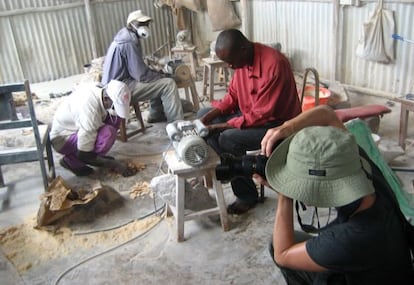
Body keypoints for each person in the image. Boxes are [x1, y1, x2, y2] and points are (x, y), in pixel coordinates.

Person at [258, 105, 413, 284]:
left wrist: (284, 193)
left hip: (370, 264)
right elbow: (327, 114)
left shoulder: (352, 238)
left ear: (323, 189)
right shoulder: (358, 166)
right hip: (389, 266)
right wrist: (286, 128)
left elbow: (282, 254)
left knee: (277, 244)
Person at [197, 29, 302, 214]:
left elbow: (260, 115)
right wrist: (207, 118)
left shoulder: (274, 65)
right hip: (253, 115)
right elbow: (232, 97)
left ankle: (246, 195)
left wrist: (219, 126)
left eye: (231, 61)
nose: (229, 66)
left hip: (278, 125)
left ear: (243, 49)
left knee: (228, 138)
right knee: (203, 114)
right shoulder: (241, 61)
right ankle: (228, 169)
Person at [101, 9, 183, 123]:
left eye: (146, 24)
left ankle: (156, 114)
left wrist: (157, 74)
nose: (145, 26)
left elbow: (138, 71)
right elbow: (141, 75)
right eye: (141, 24)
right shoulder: (129, 42)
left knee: (155, 79)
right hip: (118, 91)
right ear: (131, 25)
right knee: (168, 84)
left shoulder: (125, 37)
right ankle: (177, 124)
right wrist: (164, 76)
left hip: (115, 86)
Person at [50, 80, 137, 177]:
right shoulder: (89, 112)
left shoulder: (101, 91)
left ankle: (96, 155)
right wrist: (114, 164)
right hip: (62, 139)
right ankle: (71, 162)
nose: (115, 108)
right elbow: (83, 154)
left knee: (116, 117)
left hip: (77, 125)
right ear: (106, 98)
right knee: (108, 134)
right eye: (114, 105)